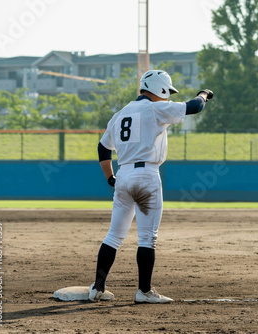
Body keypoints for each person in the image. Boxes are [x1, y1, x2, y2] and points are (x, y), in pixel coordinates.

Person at [89, 70, 213, 303]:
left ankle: (97, 288)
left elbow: (103, 148)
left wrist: (110, 178)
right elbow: (195, 106)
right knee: (147, 237)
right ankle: (143, 292)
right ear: (160, 89)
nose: (167, 98)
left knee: (114, 236)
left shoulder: (119, 114)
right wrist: (205, 93)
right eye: (167, 93)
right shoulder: (155, 109)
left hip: (124, 175)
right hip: (147, 176)